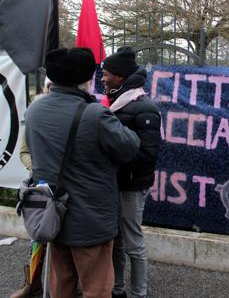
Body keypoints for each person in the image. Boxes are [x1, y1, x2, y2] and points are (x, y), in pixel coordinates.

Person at [24, 47, 141, 298]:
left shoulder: (34, 111)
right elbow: (130, 147)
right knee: (96, 288)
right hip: (91, 220)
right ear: (86, 80)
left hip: (52, 216)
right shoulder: (96, 114)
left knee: (61, 286)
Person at [102, 47, 161, 298]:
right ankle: (118, 290)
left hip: (132, 186)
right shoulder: (116, 103)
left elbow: (148, 156)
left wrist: (112, 160)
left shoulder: (145, 107)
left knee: (133, 244)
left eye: (106, 74)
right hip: (115, 184)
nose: (103, 78)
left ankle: (139, 293)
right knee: (116, 243)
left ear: (120, 77)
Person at [11, 77, 53, 298]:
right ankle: (32, 284)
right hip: (40, 187)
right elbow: (24, 152)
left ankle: (66, 286)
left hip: (68, 191)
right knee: (37, 240)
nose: (53, 90)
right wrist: (35, 169)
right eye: (49, 86)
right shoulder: (35, 114)